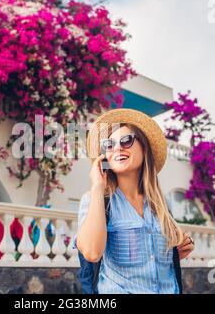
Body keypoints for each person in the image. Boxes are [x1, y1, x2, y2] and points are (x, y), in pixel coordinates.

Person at [74, 108, 195, 294]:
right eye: (109, 144)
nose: (117, 148)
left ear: (143, 147)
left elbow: (160, 262)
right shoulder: (94, 200)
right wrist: (98, 186)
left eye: (126, 140)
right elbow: (91, 252)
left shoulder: (160, 204)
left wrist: (173, 253)